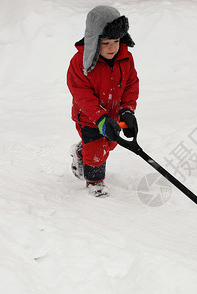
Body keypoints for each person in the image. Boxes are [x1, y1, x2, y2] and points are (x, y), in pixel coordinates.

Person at [67, 5, 139, 197]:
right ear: (94, 41)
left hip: (114, 115)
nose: (112, 47)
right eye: (106, 42)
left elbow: (131, 85)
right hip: (89, 118)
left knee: (108, 144)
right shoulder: (81, 62)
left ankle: (81, 153)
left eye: (116, 41)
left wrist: (127, 111)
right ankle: (95, 183)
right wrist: (99, 118)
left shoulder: (126, 58)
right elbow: (81, 94)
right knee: (97, 149)